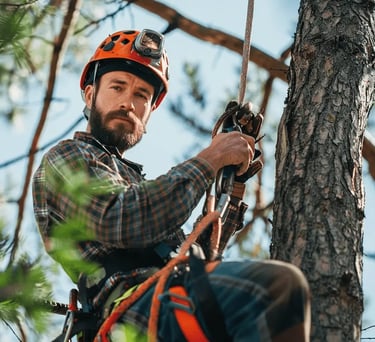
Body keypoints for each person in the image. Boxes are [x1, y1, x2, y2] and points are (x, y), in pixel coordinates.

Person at [32, 29, 311, 341]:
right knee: (277, 288)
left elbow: (197, 255)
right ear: (90, 94)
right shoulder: (67, 158)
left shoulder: (134, 183)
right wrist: (211, 158)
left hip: (169, 299)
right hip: (135, 312)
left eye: (141, 96)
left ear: (151, 111)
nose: (128, 103)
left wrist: (232, 185)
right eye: (117, 87)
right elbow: (121, 219)